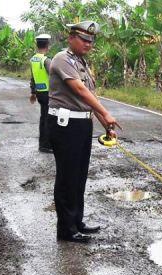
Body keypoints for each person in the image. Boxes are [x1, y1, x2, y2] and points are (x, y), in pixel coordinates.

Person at [47, 21, 121, 243]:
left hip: (81, 124)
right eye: (84, 39)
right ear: (71, 38)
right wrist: (106, 114)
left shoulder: (81, 63)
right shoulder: (63, 59)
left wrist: (104, 122)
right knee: (67, 177)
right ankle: (66, 230)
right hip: (65, 125)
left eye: (91, 40)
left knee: (79, 176)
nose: (88, 43)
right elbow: (78, 89)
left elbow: (89, 98)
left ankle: (77, 222)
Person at [29, 33, 53, 153]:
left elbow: (33, 77)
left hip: (39, 93)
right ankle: (46, 145)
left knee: (43, 118)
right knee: (48, 119)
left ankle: (42, 144)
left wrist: (33, 92)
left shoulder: (33, 59)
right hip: (48, 93)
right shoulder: (46, 60)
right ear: (48, 45)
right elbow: (54, 77)